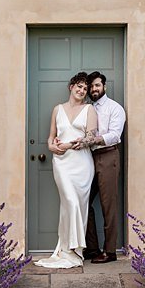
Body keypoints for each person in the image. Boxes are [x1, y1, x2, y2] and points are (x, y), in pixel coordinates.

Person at [35, 72, 99, 269]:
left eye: (85, 88)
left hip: (82, 164)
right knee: (69, 201)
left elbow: (90, 137)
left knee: (77, 205)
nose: (82, 90)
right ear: (71, 87)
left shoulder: (89, 109)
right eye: (79, 86)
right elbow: (51, 136)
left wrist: (68, 146)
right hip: (62, 163)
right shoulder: (57, 109)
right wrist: (52, 147)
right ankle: (67, 249)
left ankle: (74, 250)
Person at [78, 71, 126, 264]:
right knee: (83, 201)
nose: (93, 89)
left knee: (108, 205)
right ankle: (92, 248)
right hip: (89, 158)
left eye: (97, 85)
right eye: (91, 86)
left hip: (108, 156)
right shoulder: (86, 109)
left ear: (104, 86)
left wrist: (94, 139)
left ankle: (110, 251)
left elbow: (115, 134)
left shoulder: (115, 108)